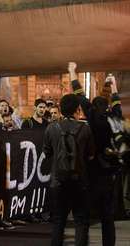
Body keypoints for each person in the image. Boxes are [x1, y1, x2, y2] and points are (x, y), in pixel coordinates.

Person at [68, 62, 124, 246]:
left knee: (84, 215)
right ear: (107, 107)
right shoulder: (114, 117)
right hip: (109, 174)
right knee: (108, 217)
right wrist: (113, 82)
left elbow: (79, 94)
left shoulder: (91, 117)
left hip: (91, 174)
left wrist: (72, 71)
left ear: (91, 108)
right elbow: (117, 100)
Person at [43, 94, 95, 246]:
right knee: (81, 221)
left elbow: (46, 153)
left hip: (57, 182)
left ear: (60, 109)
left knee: (59, 221)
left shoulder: (51, 128)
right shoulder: (85, 129)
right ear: (77, 109)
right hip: (80, 181)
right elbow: (91, 155)